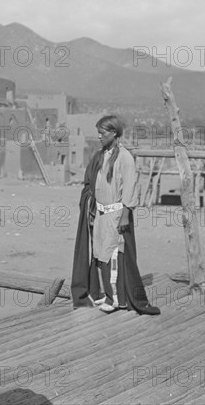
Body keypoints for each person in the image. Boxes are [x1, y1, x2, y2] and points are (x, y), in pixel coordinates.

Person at [71, 115, 160, 315]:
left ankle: (115, 300)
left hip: (115, 214)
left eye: (103, 133)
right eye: (98, 133)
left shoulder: (125, 158)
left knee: (113, 256)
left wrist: (126, 215)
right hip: (100, 213)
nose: (99, 137)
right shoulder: (101, 155)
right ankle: (104, 293)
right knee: (100, 255)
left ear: (114, 133)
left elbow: (130, 188)